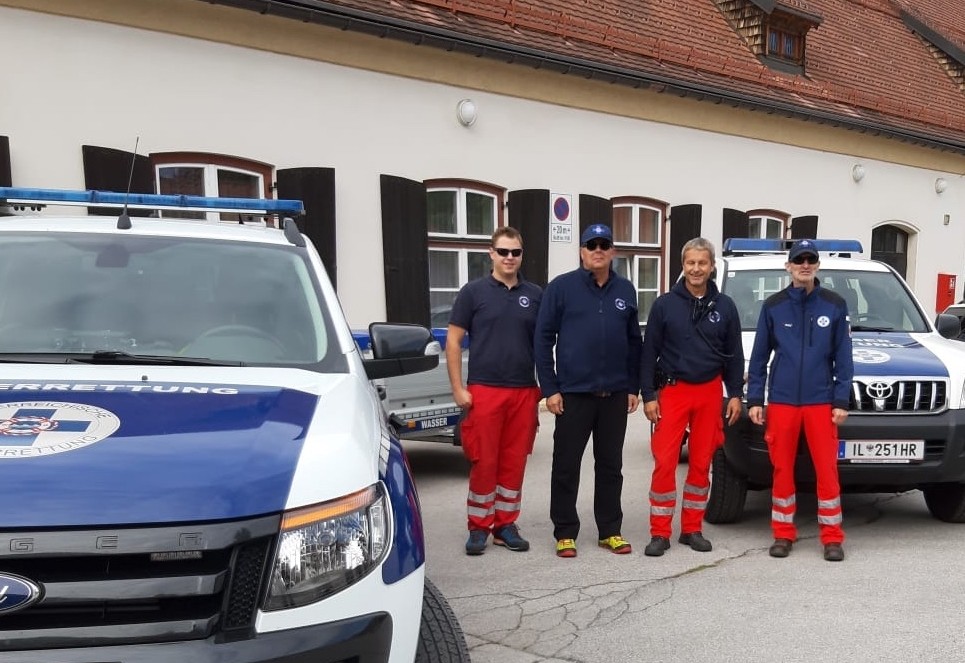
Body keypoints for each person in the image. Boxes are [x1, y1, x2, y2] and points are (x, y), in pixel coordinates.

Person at [534, 223, 642, 558]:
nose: (598, 249)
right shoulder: (561, 288)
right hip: (573, 395)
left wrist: (632, 387)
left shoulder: (625, 290)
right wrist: (550, 388)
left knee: (610, 465)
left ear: (612, 251)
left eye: (604, 244)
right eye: (591, 244)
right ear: (581, 251)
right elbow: (542, 339)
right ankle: (565, 531)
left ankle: (610, 529)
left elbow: (633, 342)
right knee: (566, 464)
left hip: (613, 396)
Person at [746, 239, 853, 562]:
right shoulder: (774, 306)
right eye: (799, 260)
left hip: (821, 402)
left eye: (811, 260)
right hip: (782, 401)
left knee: (827, 469)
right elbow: (760, 356)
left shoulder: (834, 305)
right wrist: (755, 398)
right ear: (789, 266)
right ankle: (783, 534)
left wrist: (841, 400)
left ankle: (832, 537)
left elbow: (843, 358)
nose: (805, 265)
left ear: (817, 266)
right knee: (781, 468)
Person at [639, 238, 745, 556]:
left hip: (710, 392)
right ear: (682, 266)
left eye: (702, 263)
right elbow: (648, 353)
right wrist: (648, 396)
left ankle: (692, 529)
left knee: (701, 463)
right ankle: (660, 533)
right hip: (673, 391)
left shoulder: (725, 306)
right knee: (665, 463)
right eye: (690, 263)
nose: (696, 269)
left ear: (712, 266)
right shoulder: (664, 305)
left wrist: (736, 394)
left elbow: (734, 355)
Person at [447, 226, 543, 556]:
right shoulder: (473, 293)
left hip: (523, 392)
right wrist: (458, 388)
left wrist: (546, 386)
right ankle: (478, 527)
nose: (509, 258)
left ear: (521, 255)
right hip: (484, 390)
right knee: (484, 461)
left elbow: (545, 343)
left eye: (515, 252)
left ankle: (505, 525)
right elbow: (454, 341)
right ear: (491, 254)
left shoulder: (535, 294)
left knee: (514, 462)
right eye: (503, 251)